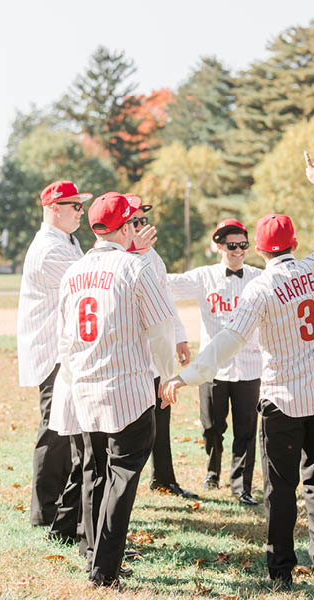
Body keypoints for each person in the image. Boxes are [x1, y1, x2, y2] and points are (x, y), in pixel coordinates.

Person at [162, 153, 314, 586]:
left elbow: (225, 344)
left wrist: (184, 376)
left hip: (283, 398)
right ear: (293, 243)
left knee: (280, 489)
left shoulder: (260, 289)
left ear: (259, 249)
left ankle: (281, 571)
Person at [58, 191, 177, 587]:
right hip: (127, 386)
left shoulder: (73, 272)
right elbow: (160, 330)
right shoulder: (134, 267)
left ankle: (93, 553)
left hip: (86, 383)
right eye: (134, 223)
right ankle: (104, 571)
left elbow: (64, 337)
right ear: (125, 227)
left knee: (94, 472)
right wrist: (168, 375)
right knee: (122, 476)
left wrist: (73, 380)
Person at [165, 219, 263, 505]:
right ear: (219, 246)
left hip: (249, 365)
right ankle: (212, 470)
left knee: (246, 429)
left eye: (243, 245)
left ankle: (240, 484)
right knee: (211, 427)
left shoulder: (259, 277)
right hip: (212, 367)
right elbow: (166, 286)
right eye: (232, 245)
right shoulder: (203, 277)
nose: (238, 251)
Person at [17, 180, 90, 527]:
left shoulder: (68, 241)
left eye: (82, 206)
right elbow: (85, 284)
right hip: (52, 351)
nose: (82, 212)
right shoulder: (50, 249)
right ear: (53, 208)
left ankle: (61, 505)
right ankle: (45, 512)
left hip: (64, 348)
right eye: (75, 206)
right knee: (55, 432)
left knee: (66, 428)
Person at [125, 195, 196, 499]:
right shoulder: (123, 259)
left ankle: (164, 478)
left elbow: (166, 300)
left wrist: (179, 335)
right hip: (134, 357)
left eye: (144, 219)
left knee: (162, 418)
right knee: (133, 429)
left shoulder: (152, 255)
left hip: (158, 353)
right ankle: (124, 489)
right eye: (135, 221)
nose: (143, 226)